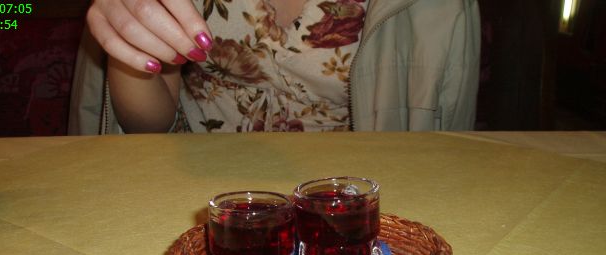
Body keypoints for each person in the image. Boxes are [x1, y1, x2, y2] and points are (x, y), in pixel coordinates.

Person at [71, 0, 480, 135]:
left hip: (350, 210)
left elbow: (439, 149)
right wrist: (132, 46)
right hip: (190, 197)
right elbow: (147, 126)